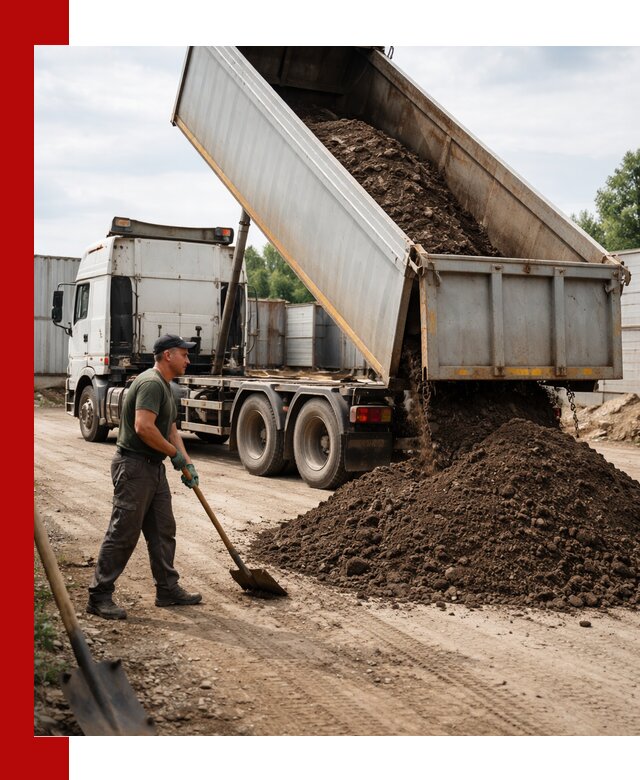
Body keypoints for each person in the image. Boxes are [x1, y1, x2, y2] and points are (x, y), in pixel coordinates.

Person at [87, 334, 203, 620]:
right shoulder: (151, 383)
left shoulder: (166, 386)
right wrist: (173, 455)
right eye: (183, 354)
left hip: (153, 467)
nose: (188, 360)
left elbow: (171, 429)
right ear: (167, 356)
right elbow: (144, 428)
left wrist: (187, 463)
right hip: (135, 467)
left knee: (163, 530)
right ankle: (99, 596)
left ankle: (167, 589)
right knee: (124, 533)